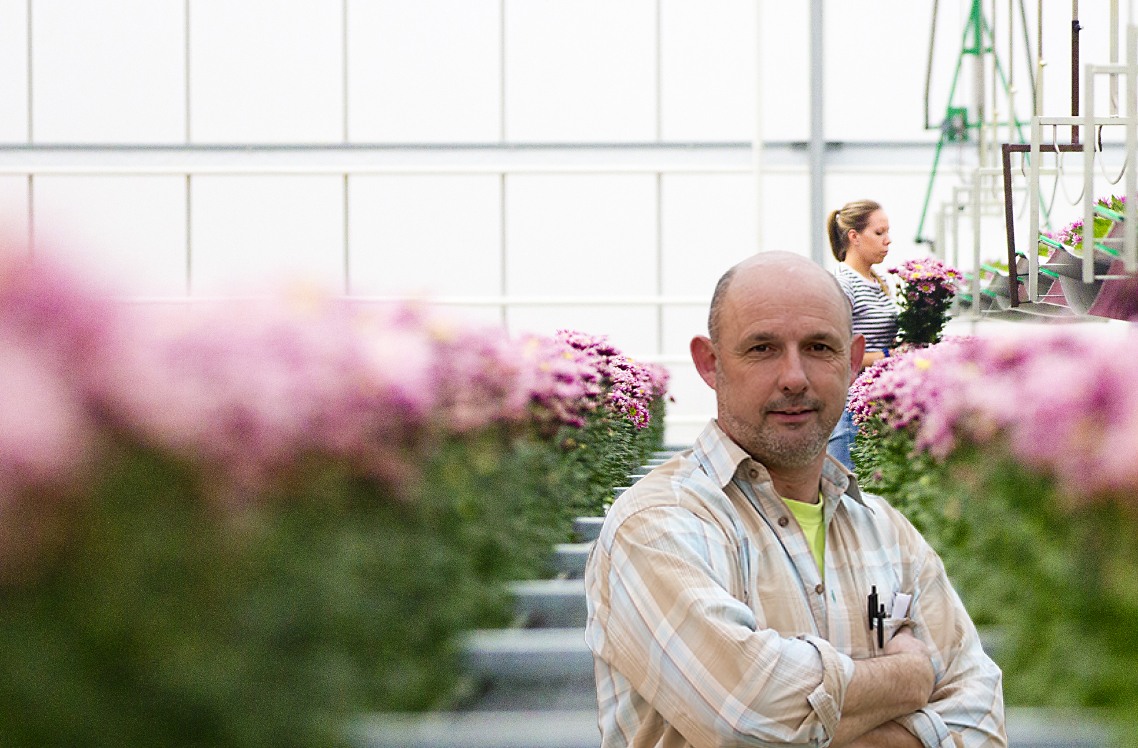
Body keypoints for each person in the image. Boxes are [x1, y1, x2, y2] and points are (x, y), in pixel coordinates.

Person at [584, 252, 1005, 748]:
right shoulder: (657, 524)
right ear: (710, 363)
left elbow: (981, 715)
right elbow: (746, 717)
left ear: (851, 362)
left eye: (818, 347)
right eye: (762, 348)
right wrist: (910, 677)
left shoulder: (889, 533)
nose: (794, 377)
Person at [827, 200, 900, 471]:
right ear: (854, 237)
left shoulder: (876, 281)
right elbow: (834, 353)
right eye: (879, 233)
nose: (888, 240)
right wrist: (888, 356)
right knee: (849, 502)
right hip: (849, 413)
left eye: (887, 232)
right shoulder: (843, 283)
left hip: (874, 408)